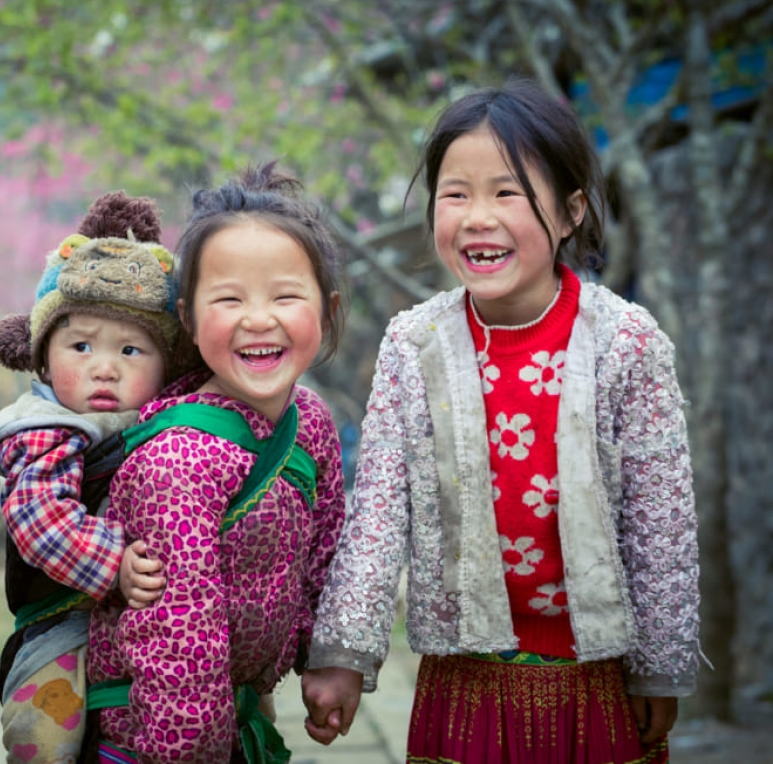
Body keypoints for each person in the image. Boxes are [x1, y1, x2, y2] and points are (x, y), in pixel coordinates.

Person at [302, 80, 700, 764]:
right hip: (463, 678)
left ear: (571, 210)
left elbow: (661, 523)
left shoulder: (626, 343)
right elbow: (376, 515)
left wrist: (660, 665)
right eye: (456, 194)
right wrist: (345, 653)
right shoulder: (413, 343)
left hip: (595, 674)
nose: (477, 217)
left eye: (507, 193)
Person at [85, 162, 349, 763]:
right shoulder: (177, 459)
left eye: (286, 295)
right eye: (229, 299)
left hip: (238, 715)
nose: (259, 318)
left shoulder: (308, 421)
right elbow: (180, 638)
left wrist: (327, 661)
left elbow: (324, 555)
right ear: (188, 317)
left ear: (327, 310)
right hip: (159, 736)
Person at [0, 191, 180, 764]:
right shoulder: (46, 427)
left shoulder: (164, 419)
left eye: (130, 349)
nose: (104, 366)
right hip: (60, 621)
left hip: (139, 622)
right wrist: (113, 561)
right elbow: (39, 518)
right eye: (81, 345)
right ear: (43, 359)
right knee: (44, 728)